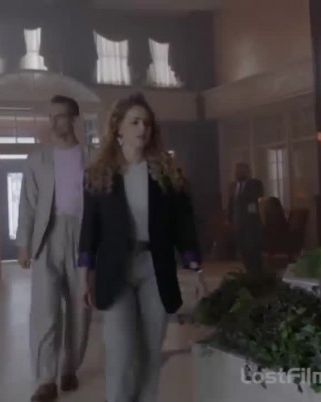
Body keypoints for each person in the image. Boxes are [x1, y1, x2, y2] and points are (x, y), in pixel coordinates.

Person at [78, 93, 202, 402]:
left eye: (146, 123)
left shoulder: (166, 173)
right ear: (118, 128)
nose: (142, 128)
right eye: (134, 122)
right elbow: (89, 229)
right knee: (120, 355)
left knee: (149, 354)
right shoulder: (99, 174)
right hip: (114, 270)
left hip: (155, 269)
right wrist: (84, 275)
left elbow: (184, 225)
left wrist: (195, 268)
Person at [16, 95, 91, 402]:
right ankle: (46, 379)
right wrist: (24, 243)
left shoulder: (92, 157)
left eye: (60, 116)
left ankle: (69, 367)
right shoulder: (37, 160)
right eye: (51, 116)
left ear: (74, 119)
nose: (54, 122)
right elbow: (27, 204)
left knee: (80, 307)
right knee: (44, 309)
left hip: (83, 235)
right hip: (47, 235)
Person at [227, 162, 264, 271]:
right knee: (242, 249)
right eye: (237, 171)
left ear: (247, 172)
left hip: (252, 223)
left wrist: (244, 186)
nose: (237, 173)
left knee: (252, 249)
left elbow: (258, 195)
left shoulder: (255, 183)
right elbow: (231, 203)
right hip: (238, 223)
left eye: (241, 170)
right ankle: (248, 270)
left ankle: (256, 271)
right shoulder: (233, 186)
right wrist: (229, 219)